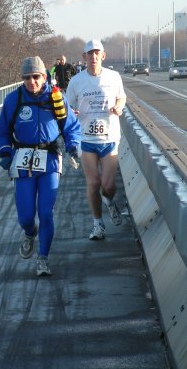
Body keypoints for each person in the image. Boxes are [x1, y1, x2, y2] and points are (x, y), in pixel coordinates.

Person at [0, 56, 81, 276]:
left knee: (46, 212)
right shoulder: (13, 100)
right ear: (22, 79)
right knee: (25, 216)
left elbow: (70, 126)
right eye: (27, 78)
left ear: (44, 76)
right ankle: (30, 232)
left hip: (50, 159)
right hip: (23, 159)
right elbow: (2, 130)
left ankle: (43, 258)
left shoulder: (56, 97)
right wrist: (5, 152)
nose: (32, 81)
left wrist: (73, 145)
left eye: (36, 77)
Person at [66, 40, 126, 241]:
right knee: (93, 183)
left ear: (103, 56)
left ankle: (109, 202)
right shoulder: (76, 81)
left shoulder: (113, 77)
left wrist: (119, 107)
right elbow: (67, 106)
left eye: (96, 53)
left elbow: (122, 98)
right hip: (86, 138)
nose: (93, 57)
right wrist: (72, 112)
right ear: (84, 57)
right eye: (89, 54)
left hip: (109, 137)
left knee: (108, 185)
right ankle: (97, 225)